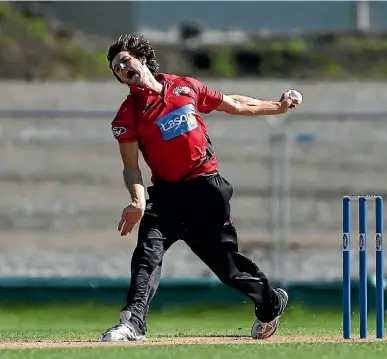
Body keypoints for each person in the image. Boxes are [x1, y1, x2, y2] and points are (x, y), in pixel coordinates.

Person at [101, 34, 302, 342]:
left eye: (125, 60)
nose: (122, 67)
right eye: (116, 68)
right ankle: (132, 323)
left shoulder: (185, 87)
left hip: (206, 189)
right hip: (166, 196)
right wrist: (138, 200)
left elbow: (233, 103)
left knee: (227, 267)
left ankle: (270, 303)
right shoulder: (128, 114)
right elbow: (131, 166)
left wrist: (278, 106)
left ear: (141, 59)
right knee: (146, 254)